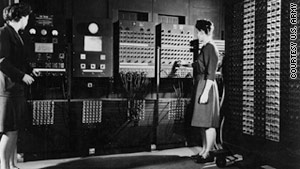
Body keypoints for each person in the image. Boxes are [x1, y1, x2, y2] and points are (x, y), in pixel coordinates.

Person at [0, 3, 39, 169]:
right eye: (27, 17)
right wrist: (22, 76)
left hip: (16, 90)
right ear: (20, 17)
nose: (28, 20)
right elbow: (2, 62)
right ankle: (3, 166)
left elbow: (18, 60)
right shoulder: (3, 33)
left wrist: (30, 70)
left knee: (14, 130)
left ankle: (10, 165)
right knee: (8, 130)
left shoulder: (16, 34)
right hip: (7, 90)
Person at [178, 19, 220, 163]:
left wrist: (205, 93)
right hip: (201, 84)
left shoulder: (210, 48)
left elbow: (211, 73)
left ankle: (208, 153)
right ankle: (203, 150)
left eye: (199, 32)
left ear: (204, 32)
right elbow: (199, 65)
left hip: (206, 86)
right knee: (202, 122)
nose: (198, 35)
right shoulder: (205, 48)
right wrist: (186, 64)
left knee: (208, 122)